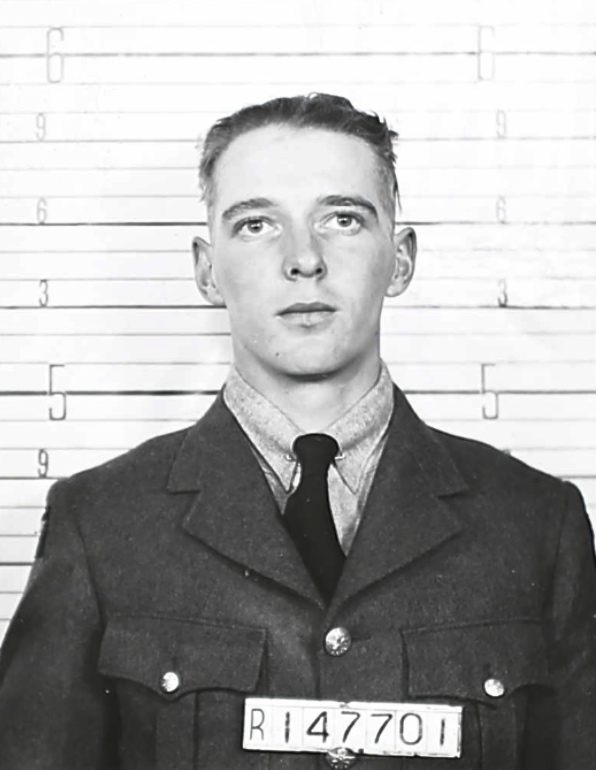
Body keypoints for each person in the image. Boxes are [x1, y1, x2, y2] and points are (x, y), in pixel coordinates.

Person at [0, 93, 595, 770]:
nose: (304, 259)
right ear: (206, 270)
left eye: (342, 219)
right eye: (256, 225)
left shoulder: (536, 523)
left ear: (401, 259)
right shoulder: (100, 523)